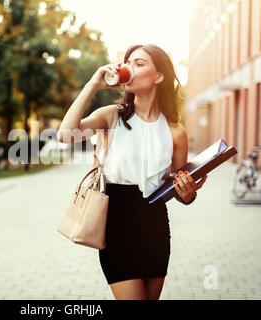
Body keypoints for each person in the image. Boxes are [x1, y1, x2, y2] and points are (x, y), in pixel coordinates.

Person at [57, 44, 208, 300]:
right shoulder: (111, 117)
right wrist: (93, 84)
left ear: (158, 76)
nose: (130, 68)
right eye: (128, 63)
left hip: (155, 228)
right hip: (117, 227)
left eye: (139, 63)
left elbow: (178, 190)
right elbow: (65, 135)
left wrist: (188, 193)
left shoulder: (175, 132)